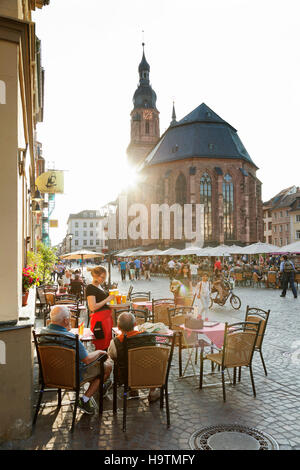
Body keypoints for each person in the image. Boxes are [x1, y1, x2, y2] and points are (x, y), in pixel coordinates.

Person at [40, 305, 112, 415]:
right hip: (73, 377)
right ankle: (85, 400)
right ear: (65, 320)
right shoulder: (71, 339)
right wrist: (100, 352)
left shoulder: (42, 333)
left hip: (50, 375)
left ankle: (101, 387)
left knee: (97, 369)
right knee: (106, 367)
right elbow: (87, 360)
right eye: (69, 317)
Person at [108, 312, 161, 403]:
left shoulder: (116, 342)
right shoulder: (148, 337)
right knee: (153, 362)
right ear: (135, 324)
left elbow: (112, 356)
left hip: (127, 377)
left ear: (119, 327)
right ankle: (152, 392)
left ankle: (133, 389)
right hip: (149, 375)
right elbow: (156, 353)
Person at [86, 266, 115, 351]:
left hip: (106, 318)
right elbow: (92, 307)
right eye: (102, 277)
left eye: (105, 277)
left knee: (107, 344)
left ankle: (105, 363)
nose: (103, 279)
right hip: (100, 320)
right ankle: (101, 363)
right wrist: (107, 299)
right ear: (95, 275)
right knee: (102, 345)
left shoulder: (99, 286)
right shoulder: (90, 287)